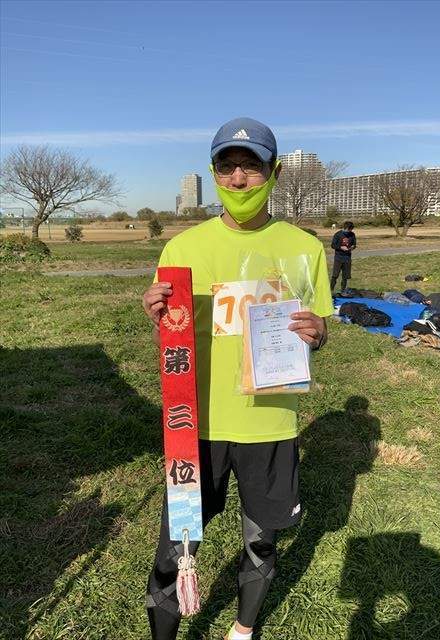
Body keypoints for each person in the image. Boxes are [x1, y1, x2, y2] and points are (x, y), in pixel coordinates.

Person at [142, 117, 333, 640]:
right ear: (214, 173)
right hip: (195, 428)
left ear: (274, 173)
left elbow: (318, 330)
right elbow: (170, 337)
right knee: (175, 549)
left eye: (251, 166)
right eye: (227, 166)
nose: (239, 178)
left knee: (260, 541)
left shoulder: (305, 249)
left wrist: (317, 334)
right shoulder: (182, 249)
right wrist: (157, 316)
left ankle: (243, 629)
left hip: (269, 426)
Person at [330, 221, 356, 292]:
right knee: (335, 275)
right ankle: (331, 290)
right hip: (338, 258)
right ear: (346, 228)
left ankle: (343, 290)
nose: (350, 231)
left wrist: (352, 247)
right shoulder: (338, 234)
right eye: (349, 229)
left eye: (351, 230)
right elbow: (333, 245)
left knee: (345, 276)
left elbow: (354, 244)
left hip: (347, 258)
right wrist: (341, 247)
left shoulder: (352, 234)